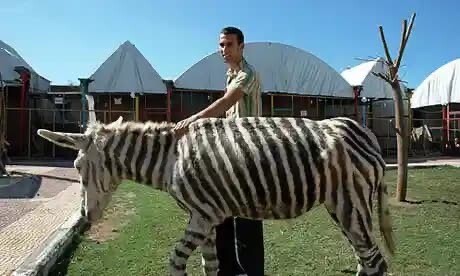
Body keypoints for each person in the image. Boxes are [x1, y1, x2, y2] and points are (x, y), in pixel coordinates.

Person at [173, 26, 265, 276]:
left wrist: (192, 121)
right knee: (223, 216)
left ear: (241, 47)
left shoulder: (247, 74)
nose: (223, 50)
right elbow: (226, 116)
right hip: (231, 154)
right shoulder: (230, 74)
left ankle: (253, 271)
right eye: (221, 45)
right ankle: (228, 270)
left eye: (229, 45)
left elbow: (226, 103)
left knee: (248, 221)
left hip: (249, 155)